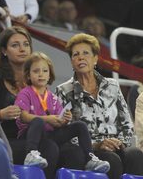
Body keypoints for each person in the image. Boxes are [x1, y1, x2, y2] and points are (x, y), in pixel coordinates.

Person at [55, 33, 143, 179]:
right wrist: (97, 145)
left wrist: (120, 142)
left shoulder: (113, 86)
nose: (81, 57)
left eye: (86, 53)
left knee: (135, 155)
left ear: (95, 58)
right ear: (72, 62)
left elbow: (127, 124)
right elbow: (64, 133)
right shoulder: (64, 91)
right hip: (87, 149)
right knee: (111, 160)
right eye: (75, 54)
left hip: (116, 145)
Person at [15, 51, 110, 173]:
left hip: (50, 134)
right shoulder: (26, 92)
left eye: (45, 71)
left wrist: (65, 119)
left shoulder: (52, 97)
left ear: (50, 75)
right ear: (28, 75)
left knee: (80, 125)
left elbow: (59, 121)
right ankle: (31, 154)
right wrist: (47, 119)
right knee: (37, 121)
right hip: (31, 134)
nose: (41, 74)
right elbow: (23, 116)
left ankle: (90, 159)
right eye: (36, 71)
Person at [0, 26, 59, 179]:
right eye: (15, 45)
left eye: (26, 44)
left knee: (54, 147)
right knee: (47, 148)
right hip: (5, 138)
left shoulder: (38, 79)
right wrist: (0, 114)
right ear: (4, 51)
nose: (22, 49)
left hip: (36, 138)